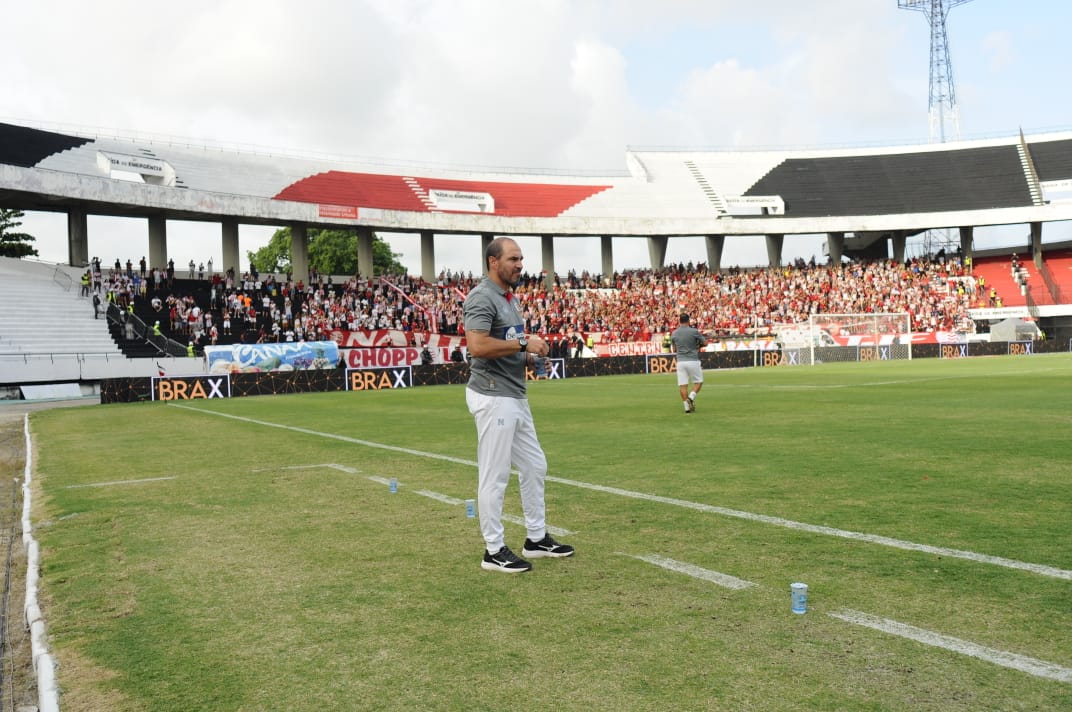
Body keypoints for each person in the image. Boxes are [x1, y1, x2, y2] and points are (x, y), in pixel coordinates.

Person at [463, 237, 574, 573]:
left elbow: (504, 345)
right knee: (495, 476)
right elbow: (478, 346)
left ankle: (536, 538)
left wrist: (525, 355)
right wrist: (524, 341)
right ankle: (493, 550)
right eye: (513, 259)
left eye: (521, 259)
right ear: (493, 262)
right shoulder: (483, 296)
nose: (520, 265)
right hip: (494, 395)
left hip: (513, 394)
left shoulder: (508, 298)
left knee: (534, 466)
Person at [670, 312, 706, 413]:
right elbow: (705, 343)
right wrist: (698, 346)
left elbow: (674, 349)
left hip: (681, 361)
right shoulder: (694, 331)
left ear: (679, 321)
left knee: (683, 385)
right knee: (699, 382)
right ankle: (691, 397)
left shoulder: (674, 333)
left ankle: (686, 408)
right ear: (688, 321)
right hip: (693, 360)